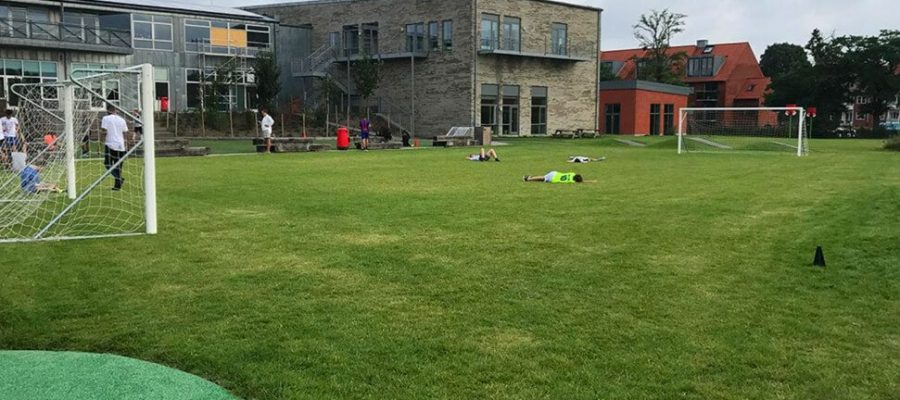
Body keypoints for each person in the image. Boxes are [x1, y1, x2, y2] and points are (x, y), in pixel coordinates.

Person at [100, 105, 132, 191]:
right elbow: (126, 133)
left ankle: (119, 178)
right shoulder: (122, 120)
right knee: (118, 166)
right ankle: (117, 186)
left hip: (110, 144)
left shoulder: (105, 118)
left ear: (108, 110)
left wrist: (101, 142)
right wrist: (128, 144)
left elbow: (104, 131)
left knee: (107, 164)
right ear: (116, 110)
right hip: (120, 145)